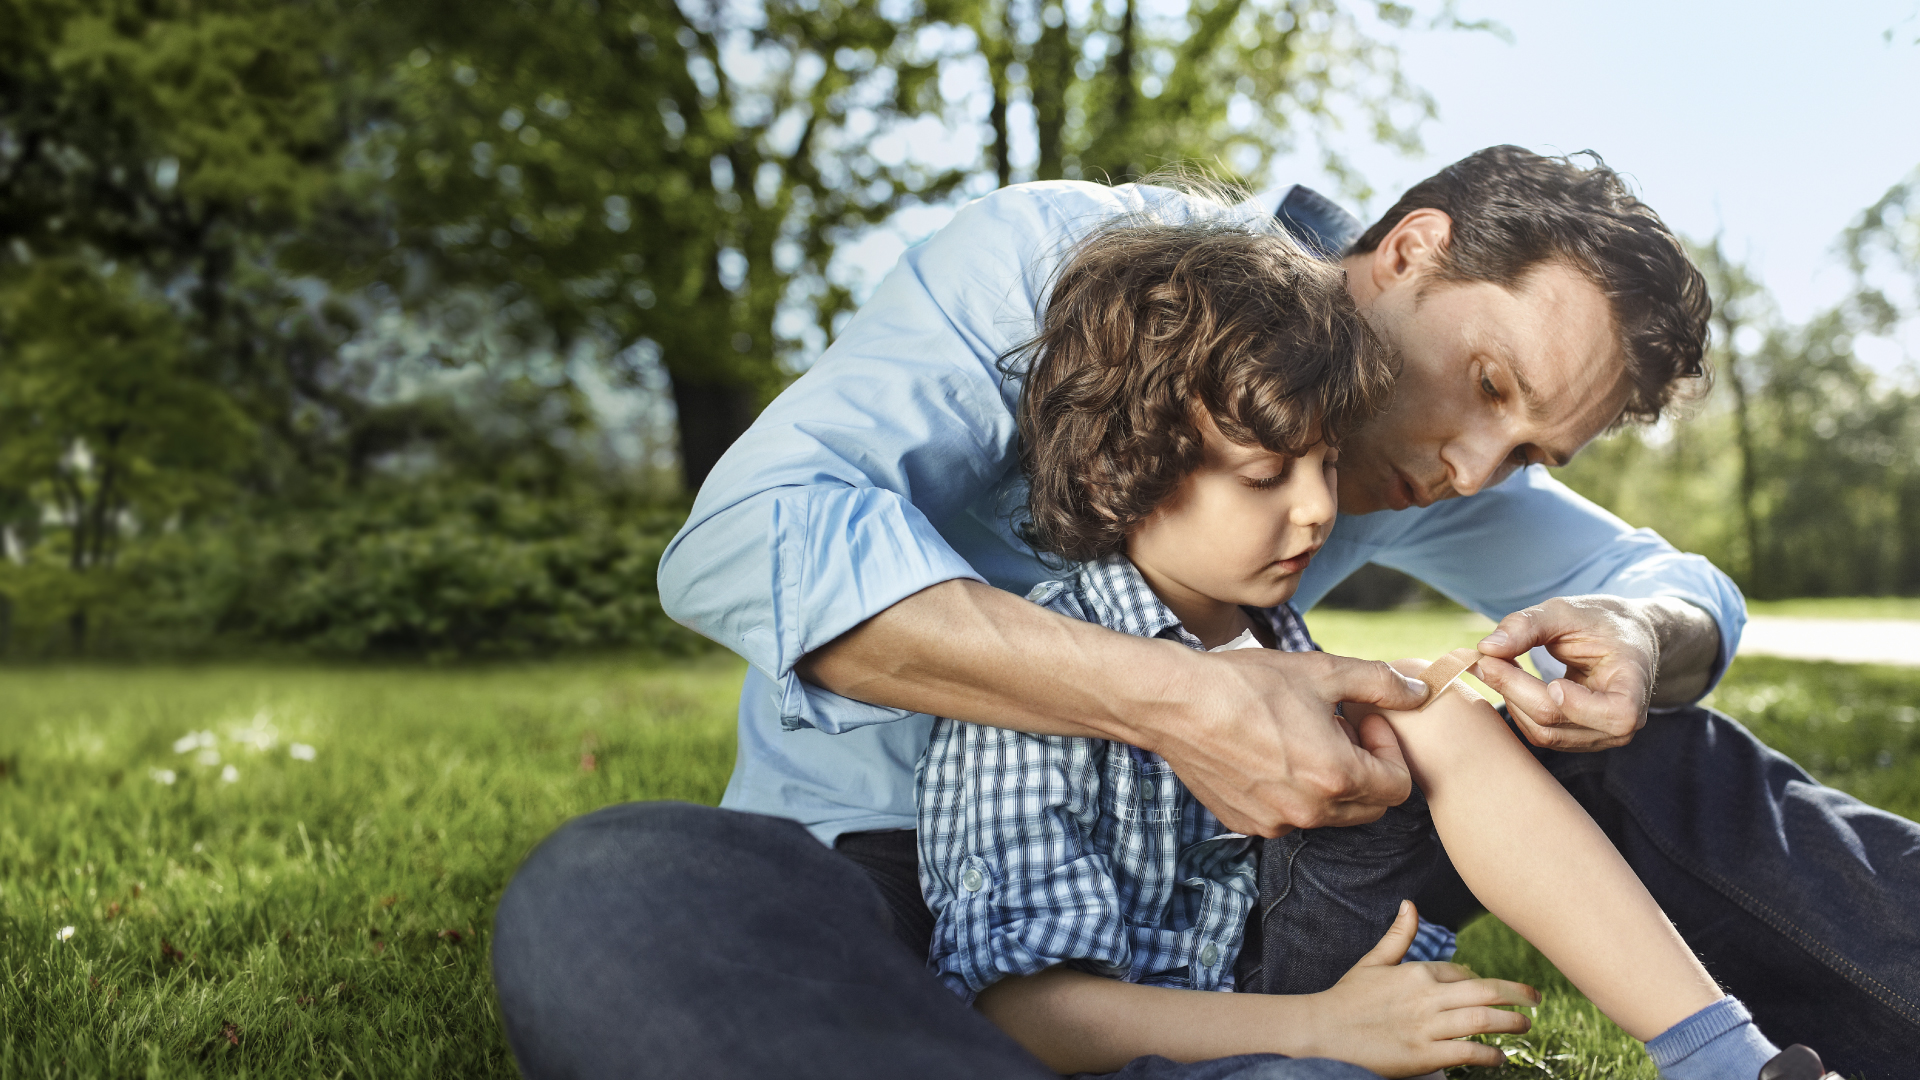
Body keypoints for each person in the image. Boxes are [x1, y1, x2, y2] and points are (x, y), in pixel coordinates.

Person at [490, 148, 1920, 1079]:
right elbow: (748, 534)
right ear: (1411, 251)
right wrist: (1181, 700)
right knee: (615, 894)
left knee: (1625, 724)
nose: (1469, 472)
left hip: (1233, 906)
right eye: (1489, 388)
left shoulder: (1425, 456)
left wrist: (1641, 642)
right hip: (877, 870)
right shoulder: (1076, 279)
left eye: (1533, 453)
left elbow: (1673, 583)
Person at [915, 210, 1809, 1080]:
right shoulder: (1035, 689)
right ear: (1124, 465)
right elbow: (1024, 1014)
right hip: (1153, 1044)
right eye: (1267, 475)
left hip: (1287, 978)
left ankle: (1725, 1057)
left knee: (1436, 710)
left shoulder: (1281, 635)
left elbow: (1675, 588)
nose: (1316, 510)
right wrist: (1318, 1029)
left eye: (1328, 464)